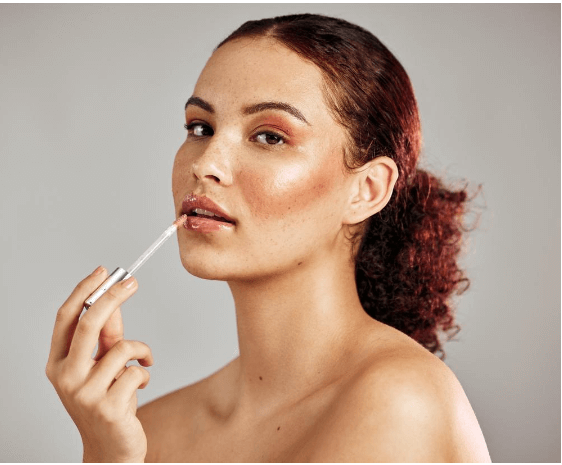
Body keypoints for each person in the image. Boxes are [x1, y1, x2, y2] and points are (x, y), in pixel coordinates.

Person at [46, 14, 491, 462]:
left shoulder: (402, 402)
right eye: (201, 128)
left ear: (366, 189)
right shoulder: (146, 433)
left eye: (269, 136)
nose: (206, 165)